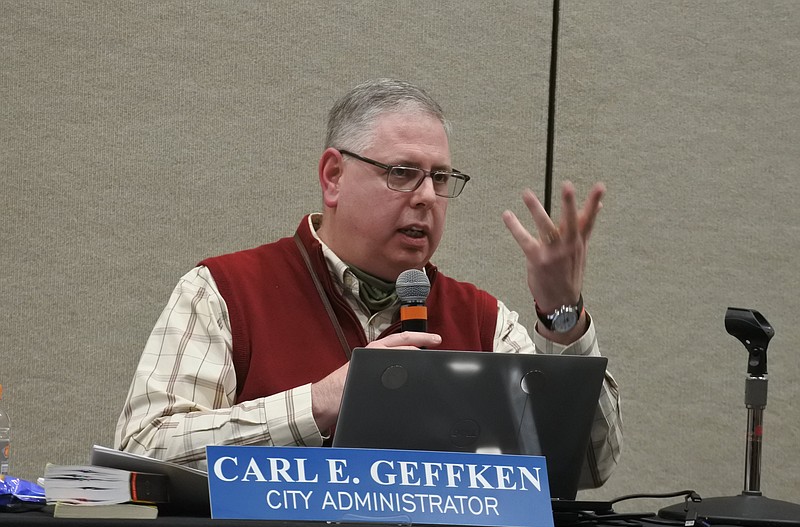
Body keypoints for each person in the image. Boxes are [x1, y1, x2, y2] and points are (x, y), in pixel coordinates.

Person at [115, 78, 621, 489]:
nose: (427, 197)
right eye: (402, 173)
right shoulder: (224, 292)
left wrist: (563, 318)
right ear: (333, 176)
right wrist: (319, 403)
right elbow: (141, 454)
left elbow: (586, 467)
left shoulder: (482, 320)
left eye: (441, 179)